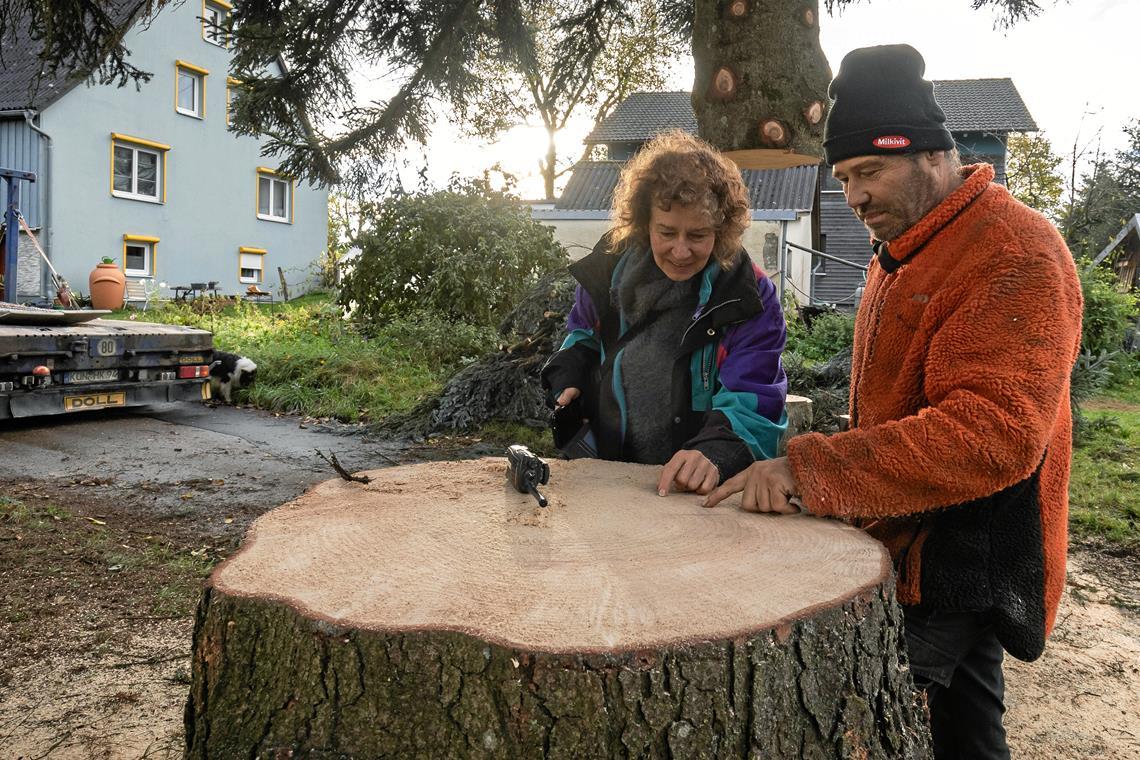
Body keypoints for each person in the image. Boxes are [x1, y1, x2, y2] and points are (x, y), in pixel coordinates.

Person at [702, 44, 1083, 758]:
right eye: (843, 178)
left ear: (932, 155)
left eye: (869, 171)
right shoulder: (905, 249)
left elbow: (991, 434)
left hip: (964, 554)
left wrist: (811, 471)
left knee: (870, 720)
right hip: (909, 534)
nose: (854, 197)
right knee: (967, 734)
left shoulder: (1014, 252)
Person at [541, 130, 788, 496]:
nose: (681, 250)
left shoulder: (749, 296)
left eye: (699, 235)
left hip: (692, 490)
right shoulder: (605, 272)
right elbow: (582, 335)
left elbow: (755, 397)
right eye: (667, 232)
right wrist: (571, 367)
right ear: (644, 223)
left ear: (722, 230)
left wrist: (716, 452)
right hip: (605, 473)